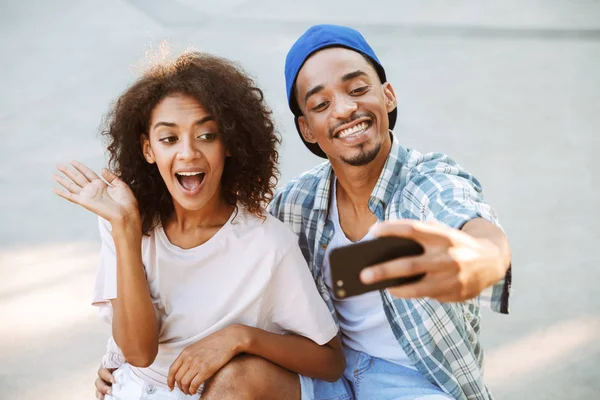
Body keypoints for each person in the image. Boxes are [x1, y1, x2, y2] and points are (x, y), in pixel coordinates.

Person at [96, 25, 512, 400]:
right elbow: (225, 294)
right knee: (235, 380)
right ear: (306, 128)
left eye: (357, 88)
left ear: (387, 94)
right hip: (327, 381)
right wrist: (128, 365)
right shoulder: (296, 203)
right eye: (321, 103)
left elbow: (478, 232)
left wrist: (475, 261)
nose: (344, 109)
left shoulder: (426, 183)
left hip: (411, 384)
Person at [53, 50, 345, 400]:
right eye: (169, 139)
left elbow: (330, 361)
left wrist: (241, 337)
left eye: (207, 135)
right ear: (148, 150)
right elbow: (139, 353)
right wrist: (125, 232)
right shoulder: (125, 223)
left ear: (230, 145)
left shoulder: (267, 243)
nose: (189, 152)